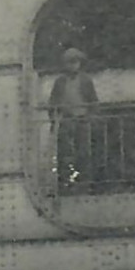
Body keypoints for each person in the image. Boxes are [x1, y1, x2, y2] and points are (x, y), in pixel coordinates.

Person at [48, 47, 102, 189]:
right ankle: (65, 183)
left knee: (84, 152)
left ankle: (85, 183)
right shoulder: (60, 81)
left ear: (79, 63)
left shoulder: (85, 80)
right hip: (66, 120)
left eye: (75, 62)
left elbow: (93, 101)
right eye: (69, 62)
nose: (72, 65)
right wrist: (54, 119)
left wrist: (92, 117)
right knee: (65, 153)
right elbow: (52, 102)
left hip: (82, 120)